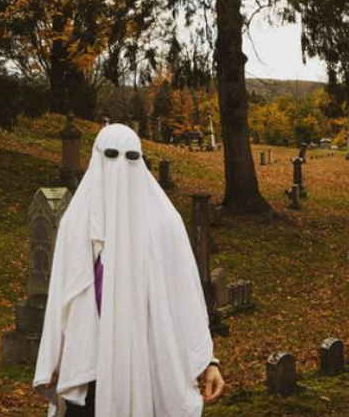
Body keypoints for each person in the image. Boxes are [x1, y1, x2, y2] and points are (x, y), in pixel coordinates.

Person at [33, 123, 224, 416]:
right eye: (112, 156)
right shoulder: (77, 224)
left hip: (149, 365)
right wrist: (52, 360)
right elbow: (62, 295)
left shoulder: (165, 223)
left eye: (131, 157)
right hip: (89, 371)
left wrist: (208, 361)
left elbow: (184, 298)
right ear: (97, 159)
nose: (121, 167)